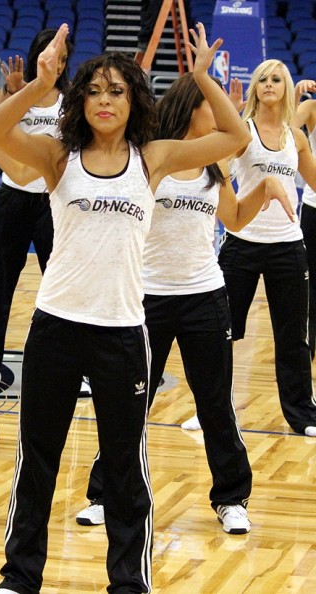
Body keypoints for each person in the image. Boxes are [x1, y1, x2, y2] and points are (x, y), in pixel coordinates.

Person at [0, 23, 250, 594]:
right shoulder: (60, 156)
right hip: (56, 325)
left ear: (134, 101)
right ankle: (19, 577)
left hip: (123, 332)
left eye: (117, 91)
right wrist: (39, 83)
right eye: (95, 91)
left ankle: (129, 581)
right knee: (38, 463)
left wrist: (203, 78)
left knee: (127, 470)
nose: (105, 101)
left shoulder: (152, 158)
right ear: (81, 100)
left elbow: (234, 136)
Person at [75, 72, 296, 536]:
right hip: (147, 299)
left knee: (215, 404)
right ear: (190, 108)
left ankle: (231, 498)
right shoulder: (150, 158)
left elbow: (233, 218)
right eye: (212, 106)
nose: (222, 116)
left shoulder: (214, 166)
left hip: (205, 297)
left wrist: (267, 190)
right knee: (130, 404)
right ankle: (103, 493)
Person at [216, 59, 316, 438]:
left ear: (286, 87)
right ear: (255, 87)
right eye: (263, 80)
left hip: (288, 246)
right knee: (223, 333)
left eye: (276, 79)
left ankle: (302, 414)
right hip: (242, 244)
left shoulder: (297, 137)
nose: (269, 85)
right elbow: (215, 168)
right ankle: (213, 407)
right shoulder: (242, 131)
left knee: (293, 338)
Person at [0, 28, 72, 387]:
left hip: (53, 201)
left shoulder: (71, 100)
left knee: (60, 285)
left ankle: (68, 365)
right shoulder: (19, 94)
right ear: (40, 55)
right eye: (55, 56)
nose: (60, 63)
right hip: (13, 197)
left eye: (65, 58)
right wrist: (13, 91)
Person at [293, 80, 316, 358]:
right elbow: (281, 131)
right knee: (309, 280)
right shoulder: (310, 108)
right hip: (313, 206)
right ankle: (308, 343)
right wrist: (296, 96)